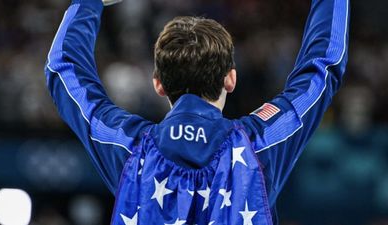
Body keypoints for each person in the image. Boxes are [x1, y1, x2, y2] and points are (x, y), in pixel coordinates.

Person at [44, 0, 350, 224]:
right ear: (231, 79)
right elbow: (323, 67)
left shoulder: (129, 148)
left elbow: (62, 70)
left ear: (158, 84)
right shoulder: (260, 144)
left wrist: (87, 3)